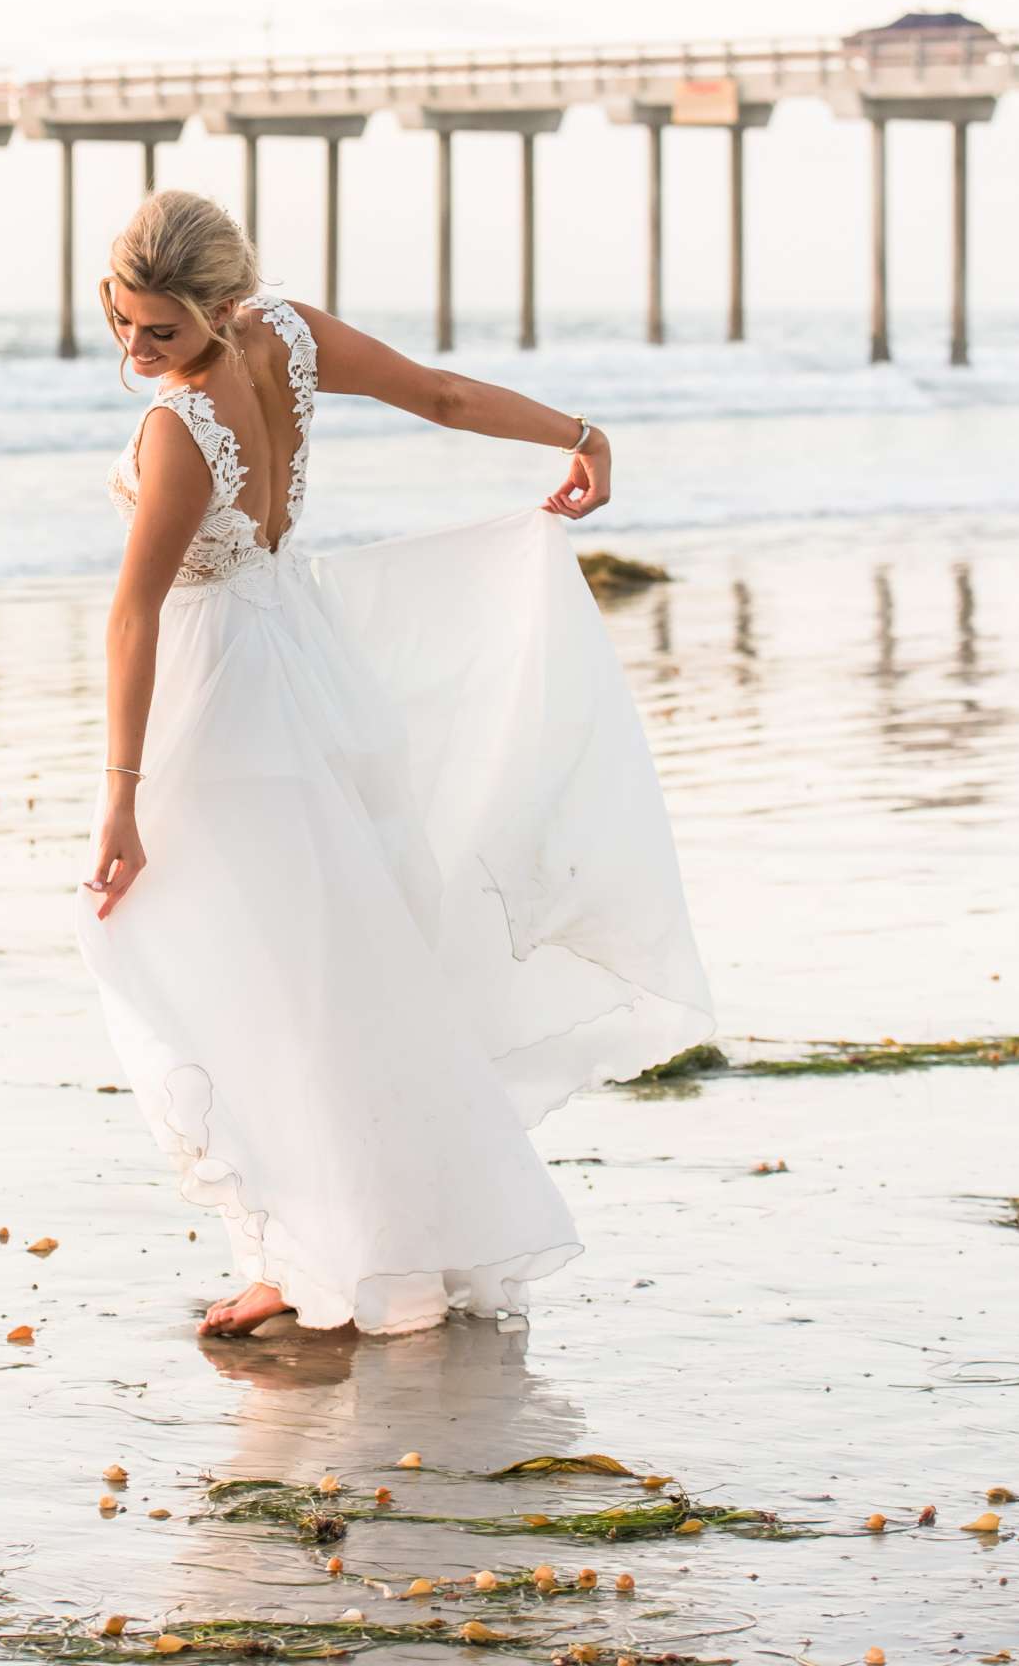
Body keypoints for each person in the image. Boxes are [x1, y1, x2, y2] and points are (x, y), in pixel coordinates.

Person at [76, 189, 713, 1339]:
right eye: (119, 322)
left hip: (223, 708)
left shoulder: (177, 427)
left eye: (157, 330)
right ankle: (343, 1241)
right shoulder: (293, 333)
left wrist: (119, 799)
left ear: (219, 307)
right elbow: (442, 396)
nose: (135, 349)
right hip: (307, 672)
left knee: (247, 980)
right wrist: (578, 433)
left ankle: (307, 1256)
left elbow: (132, 618)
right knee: (327, 973)